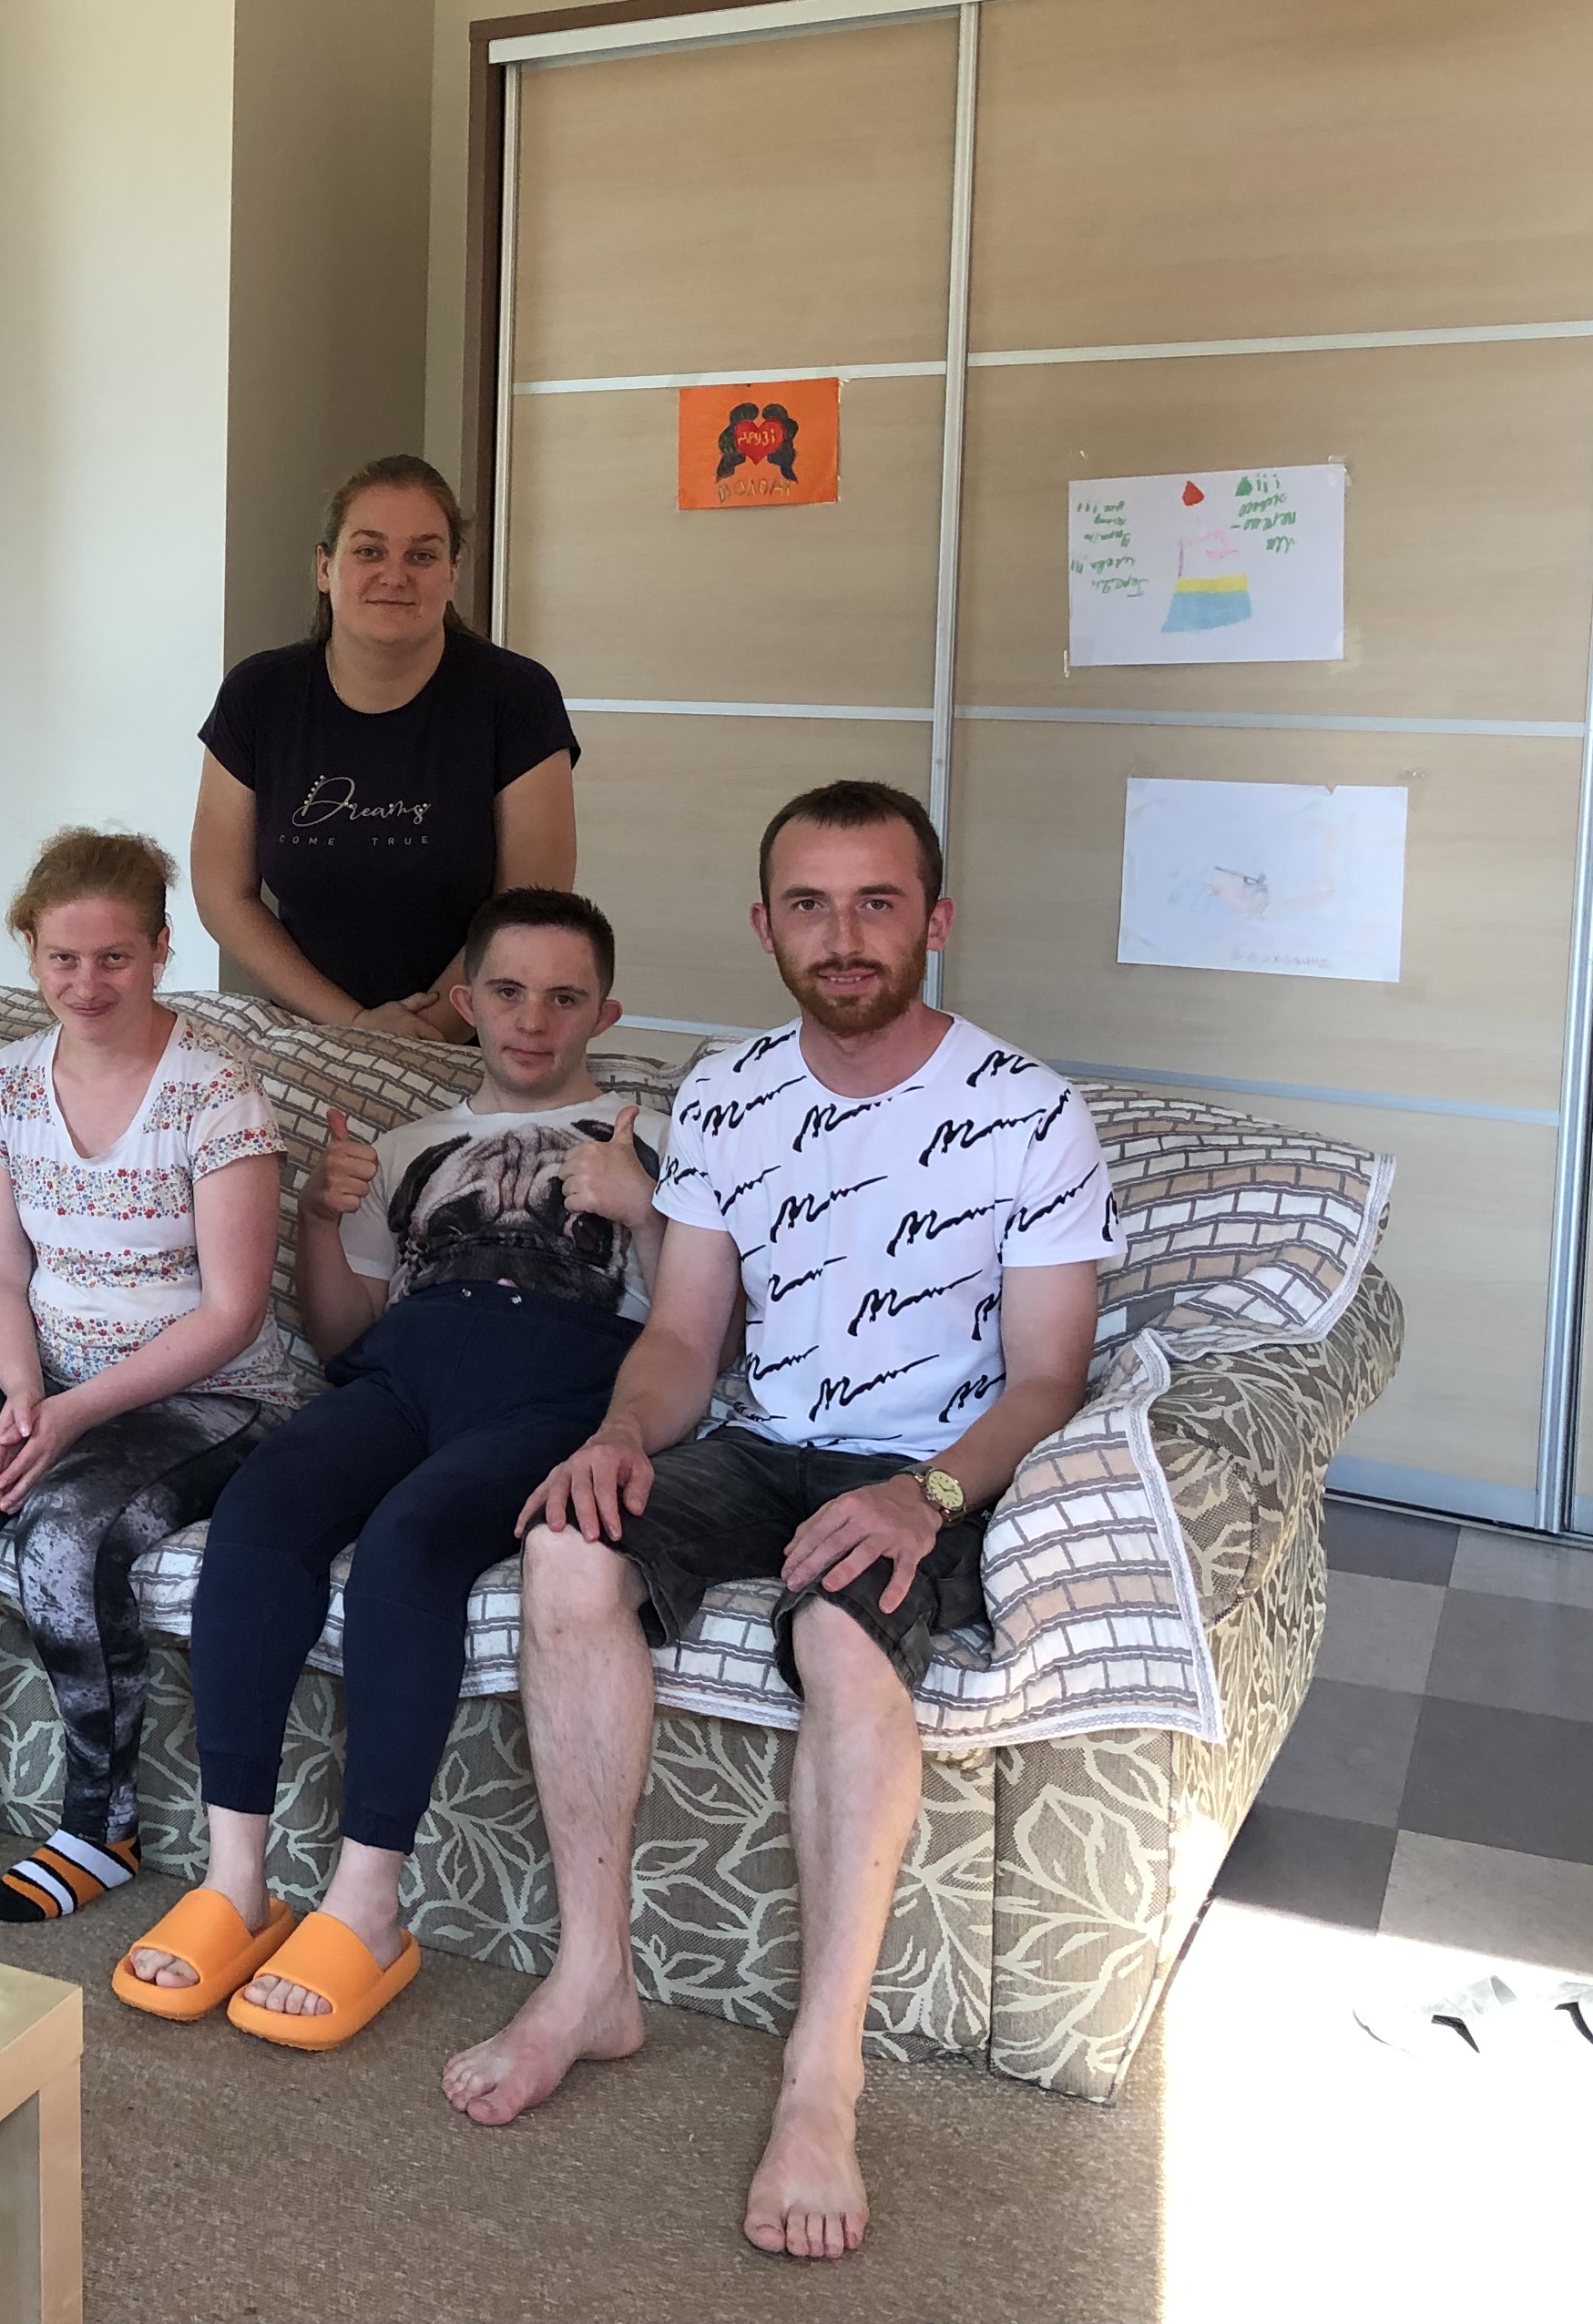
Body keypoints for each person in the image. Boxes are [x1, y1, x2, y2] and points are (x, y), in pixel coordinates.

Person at [441, 782, 1118, 2268]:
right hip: (755, 1441)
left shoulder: (1025, 1108)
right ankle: (590, 1977)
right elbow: (685, 1333)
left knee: (841, 1629)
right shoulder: (731, 1090)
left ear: (934, 918)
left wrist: (926, 1489)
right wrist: (618, 1435)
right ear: (765, 925)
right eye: (807, 904)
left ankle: (823, 2072)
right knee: (565, 1544)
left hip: (921, 1458)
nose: (843, 934)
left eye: (877, 900)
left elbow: (1048, 1372)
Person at [116, 888, 663, 2049]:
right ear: (466, 1002)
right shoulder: (413, 1148)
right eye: (508, 991)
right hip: (404, 1375)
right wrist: (322, 1221)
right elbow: (342, 1335)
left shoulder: (649, 1141)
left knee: (411, 1544)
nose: (533, 1019)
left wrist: (646, 1216)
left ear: (606, 1011)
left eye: (566, 998)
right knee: (260, 1513)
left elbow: (704, 1335)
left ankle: (367, 1905)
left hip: (557, 1391)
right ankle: (235, 1881)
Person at [0, 830, 292, 1926]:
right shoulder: (5, 1087)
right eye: (63, 958)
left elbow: (233, 1310)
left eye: (113, 957)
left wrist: (72, 1416)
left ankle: (102, 1824)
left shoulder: (217, 1093)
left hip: (210, 1392)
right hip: (43, 1366)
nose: (86, 982)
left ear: (159, 948)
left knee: (66, 1535)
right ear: (31, 953)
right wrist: (18, 1393)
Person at [193, 456, 579, 1040]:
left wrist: (432, 1032)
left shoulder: (518, 698)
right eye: (369, 551)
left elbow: (530, 900)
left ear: (452, 571)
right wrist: (353, 1026)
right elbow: (223, 895)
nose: (394, 574)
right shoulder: (258, 694)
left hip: (478, 1037)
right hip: (308, 1034)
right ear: (325, 567)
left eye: (422, 555)